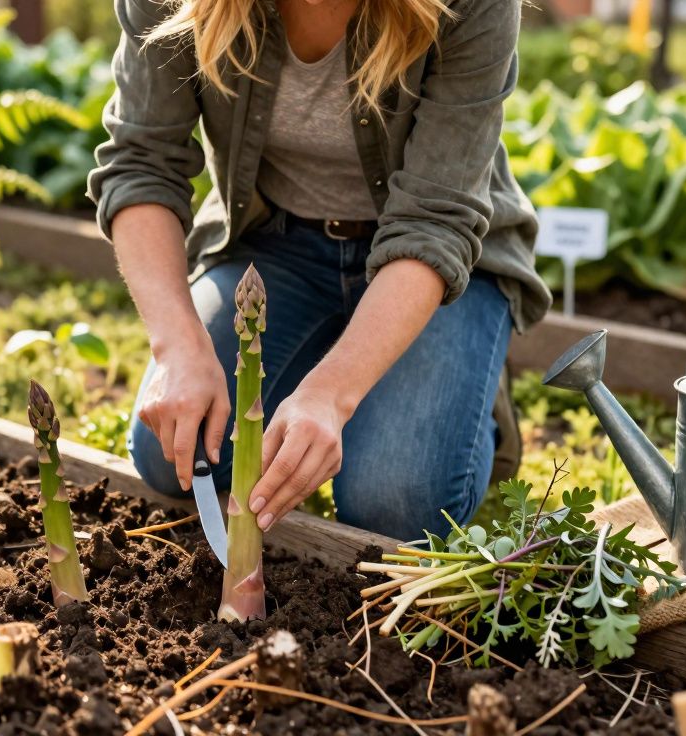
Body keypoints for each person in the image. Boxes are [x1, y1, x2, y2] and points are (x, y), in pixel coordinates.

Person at [87, 0, 551, 541]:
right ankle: (342, 353)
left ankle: (466, 380)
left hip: (435, 268)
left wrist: (331, 394)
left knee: (393, 504)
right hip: (275, 247)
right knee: (175, 457)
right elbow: (141, 161)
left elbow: (434, 221)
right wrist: (178, 347)